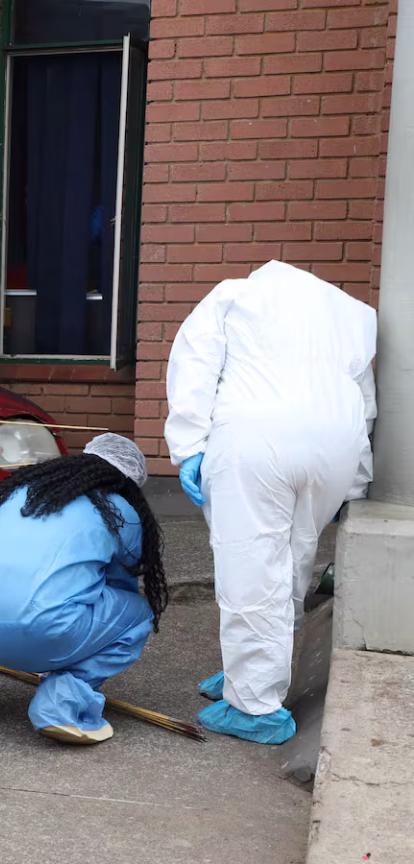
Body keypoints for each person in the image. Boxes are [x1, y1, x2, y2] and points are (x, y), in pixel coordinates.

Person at [165, 260, 376, 745]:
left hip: (256, 439)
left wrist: (190, 444)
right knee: (293, 558)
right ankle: (255, 674)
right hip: (335, 447)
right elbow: (365, 403)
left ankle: (254, 705)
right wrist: (357, 484)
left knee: (251, 567)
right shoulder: (354, 316)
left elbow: (195, 364)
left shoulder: (234, 296)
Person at [0, 434, 167, 745]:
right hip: (40, 636)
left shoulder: (21, 489)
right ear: (129, 485)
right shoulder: (123, 514)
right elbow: (121, 585)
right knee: (137, 614)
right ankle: (61, 701)